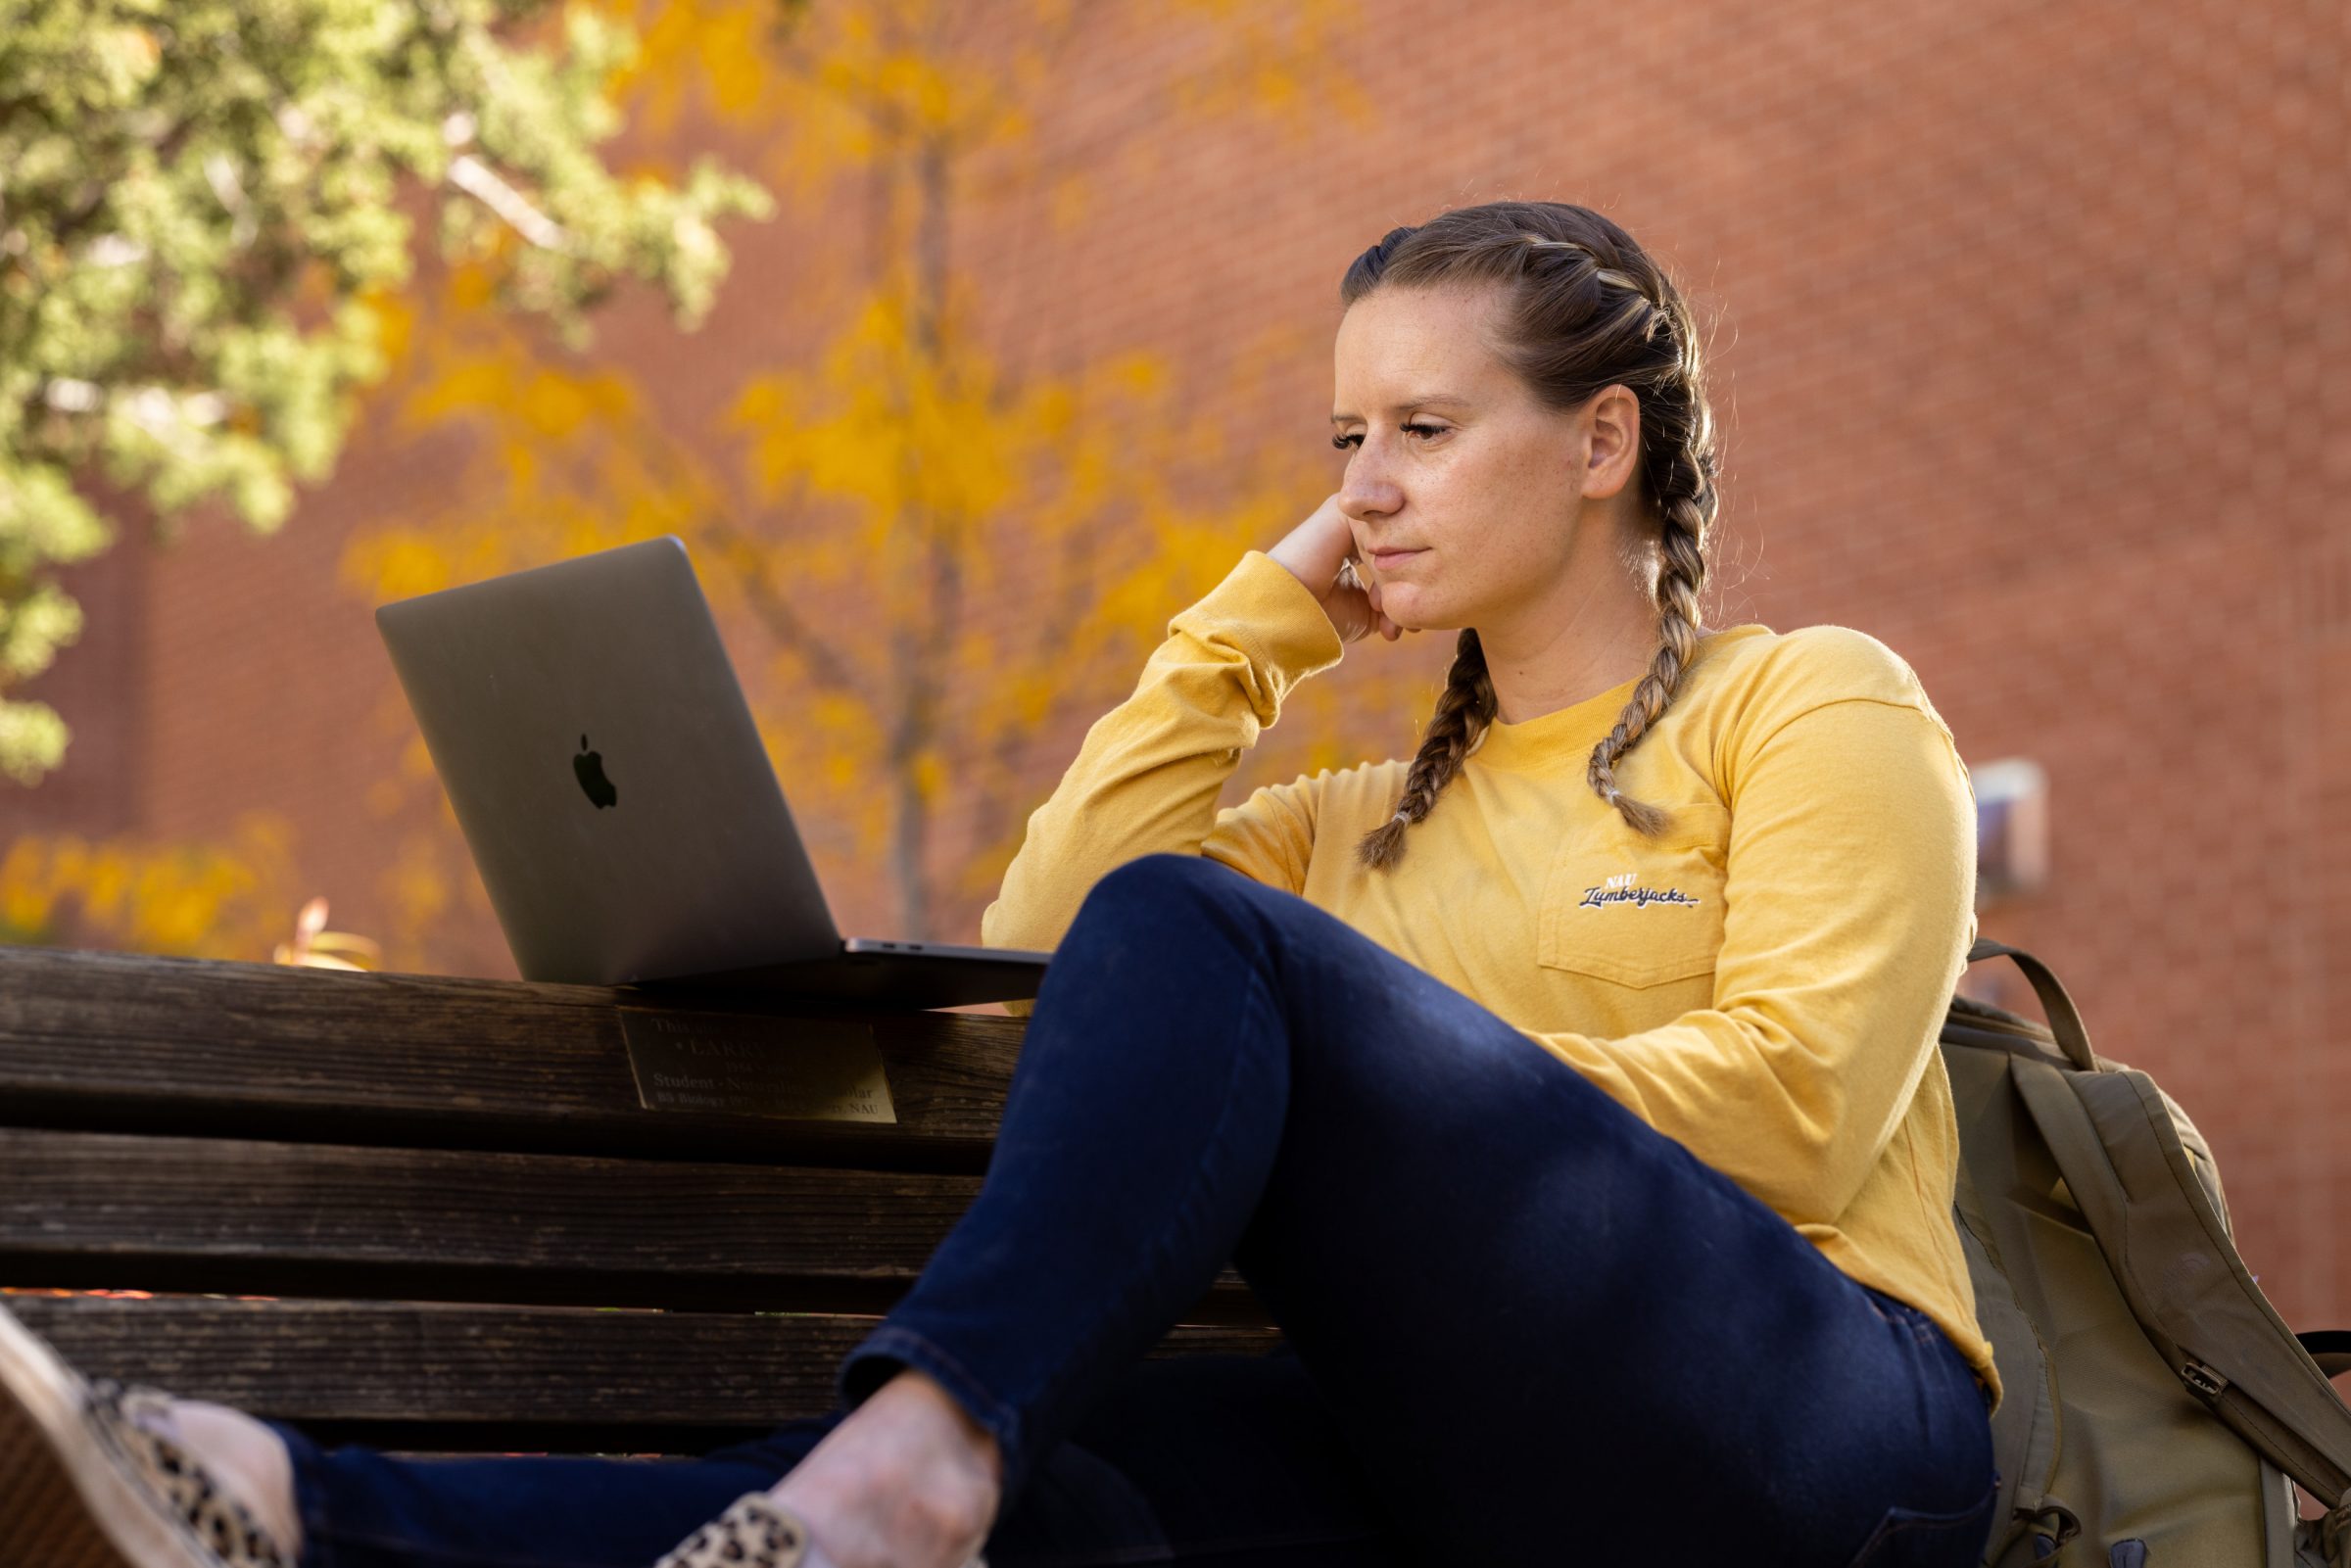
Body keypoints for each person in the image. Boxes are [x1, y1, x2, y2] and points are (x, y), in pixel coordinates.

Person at [0, 199, 2003, 1568]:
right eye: (1337, 439)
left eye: (1419, 429)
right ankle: (271, 1504)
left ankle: (916, 1450)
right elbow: (1065, 947)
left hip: (1825, 1447)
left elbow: (1806, 1112)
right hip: (1466, 1459)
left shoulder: (1806, 707)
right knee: (1029, 1509)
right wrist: (1250, 632)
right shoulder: (1347, 823)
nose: (1360, 490)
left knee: (1168, 1053)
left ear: (1601, 444)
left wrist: (1373, 1084)